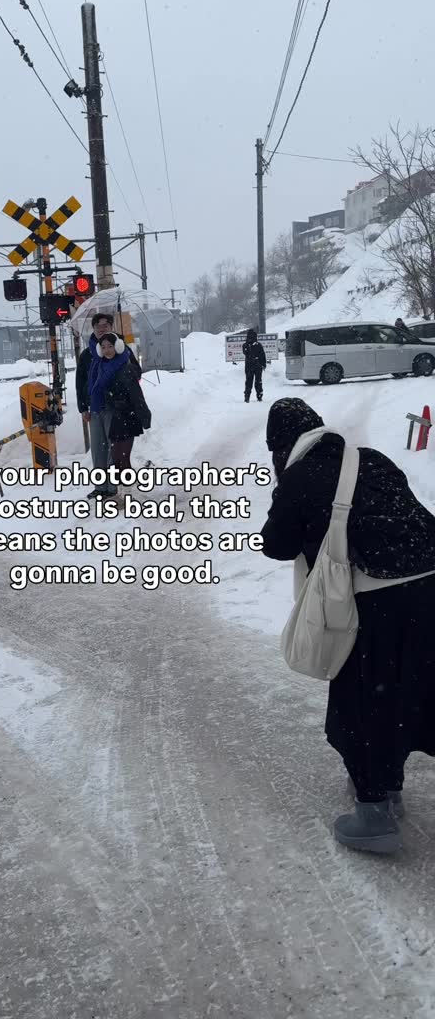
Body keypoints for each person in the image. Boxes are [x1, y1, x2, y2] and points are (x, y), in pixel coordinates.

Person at [260, 397, 435, 854]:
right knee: (416, 687)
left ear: (281, 446)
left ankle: (376, 811)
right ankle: (390, 779)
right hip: (430, 587)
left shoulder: (299, 476)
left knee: (364, 701)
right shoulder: (370, 458)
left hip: (375, 602)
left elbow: (275, 544)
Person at [76, 313, 141, 497]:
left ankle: (113, 488)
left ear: (111, 326)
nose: (101, 328)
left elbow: (137, 373)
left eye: (105, 325)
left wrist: (126, 370)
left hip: (116, 409)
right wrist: (83, 408)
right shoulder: (87, 355)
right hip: (95, 408)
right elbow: (80, 383)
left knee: (114, 449)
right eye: (97, 326)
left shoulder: (122, 351)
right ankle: (100, 487)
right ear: (93, 329)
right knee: (98, 449)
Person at [97, 333, 151, 474]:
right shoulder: (103, 368)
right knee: (116, 458)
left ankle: (127, 491)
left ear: (118, 347)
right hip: (116, 416)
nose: (107, 350)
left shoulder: (126, 367)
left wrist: (144, 415)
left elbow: (136, 394)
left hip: (128, 415)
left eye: (110, 346)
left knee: (123, 458)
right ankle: (122, 489)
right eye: (103, 347)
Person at [242, 328, 267, 402]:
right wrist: (263, 364)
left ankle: (248, 397)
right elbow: (262, 355)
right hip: (256, 365)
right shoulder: (251, 345)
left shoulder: (247, 345)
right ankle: (257, 396)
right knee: (257, 382)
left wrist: (263, 364)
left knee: (250, 382)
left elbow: (262, 355)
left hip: (251, 366)